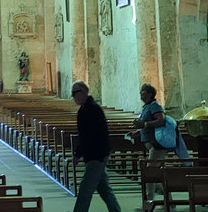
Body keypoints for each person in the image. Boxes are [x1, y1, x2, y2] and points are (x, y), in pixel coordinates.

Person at [132, 83, 191, 204]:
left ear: (149, 93)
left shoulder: (155, 106)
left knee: (150, 171)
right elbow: (147, 126)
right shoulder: (147, 107)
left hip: (157, 145)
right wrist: (137, 132)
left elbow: (160, 121)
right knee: (157, 173)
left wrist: (144, 124)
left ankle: (149, 200)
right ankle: (168, 200)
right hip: (152, 143)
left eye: (143, 91)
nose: (140, 94)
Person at [70, 81, 122, 212]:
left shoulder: (92, 109)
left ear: (84, 92)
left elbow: (91, 135)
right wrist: (79, 153)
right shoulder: (84, 110)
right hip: (94, 155)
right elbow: (84, 135)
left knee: (85, 190)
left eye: (75, 93)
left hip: (96, 156)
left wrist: (78, 154)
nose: (73, 96)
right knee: (104, 189)